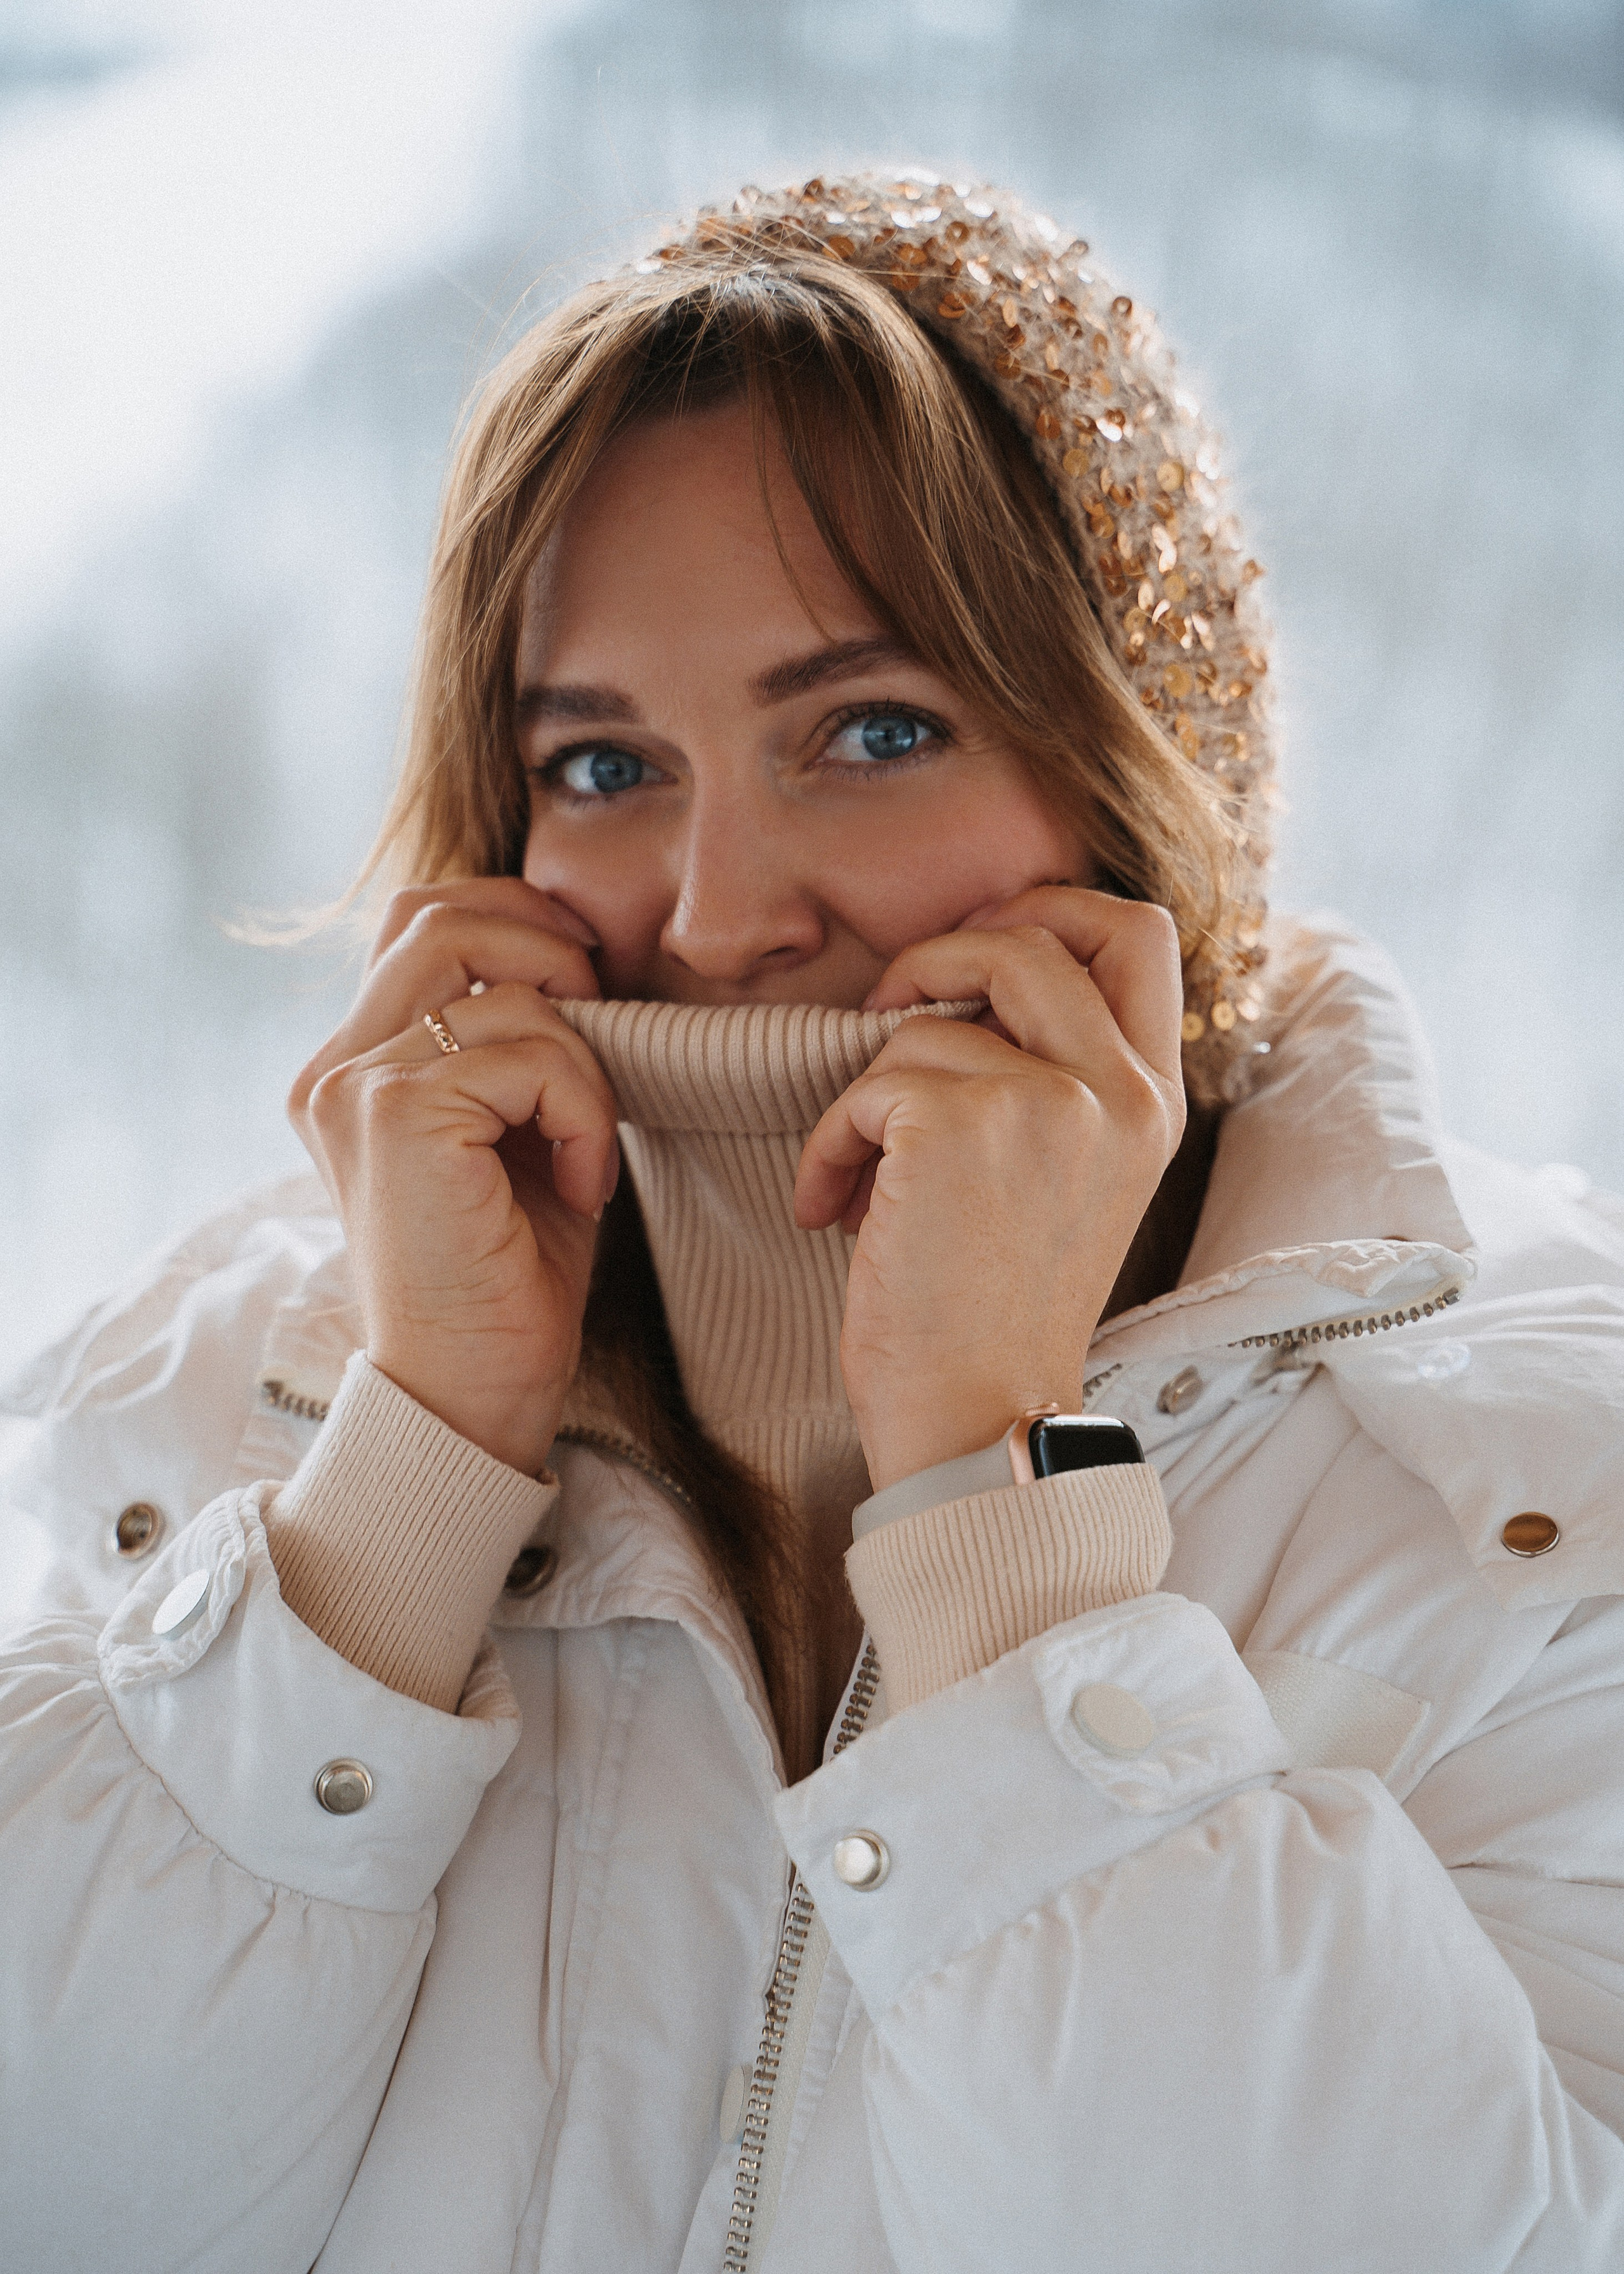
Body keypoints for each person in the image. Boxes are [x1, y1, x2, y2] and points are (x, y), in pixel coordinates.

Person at [2, 170, 1622, 2274]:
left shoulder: (1532, 1505)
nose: (714, 914)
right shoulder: (226, 1402)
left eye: (873, 732)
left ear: (1145, 797)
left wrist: (997, 1508)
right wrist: (402, 1489)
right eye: (601, 765)